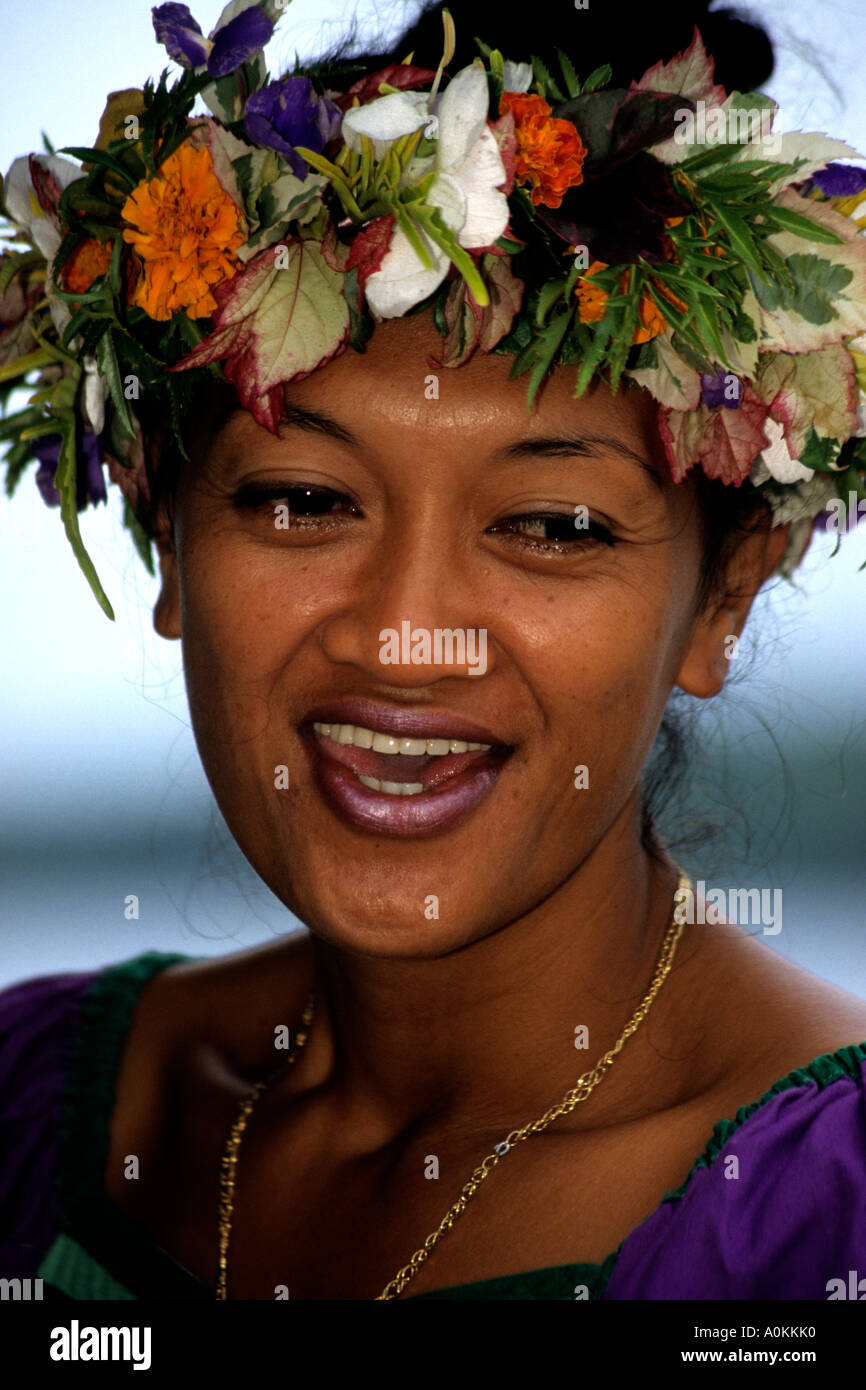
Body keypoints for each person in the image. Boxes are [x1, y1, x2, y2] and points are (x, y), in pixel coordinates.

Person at [1, 0, 866, 1301]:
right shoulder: (33, 1098)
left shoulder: (821, 1218)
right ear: (164, 532)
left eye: (553, 525)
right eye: (301, 499)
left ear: (719, 599)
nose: (404, 636)